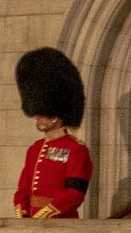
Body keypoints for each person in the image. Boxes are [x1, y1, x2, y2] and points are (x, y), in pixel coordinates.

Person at [12, 46, 93, 221]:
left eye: (44, 113)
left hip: (60, 220)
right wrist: (23, 212)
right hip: (32, 220)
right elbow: (23, 189)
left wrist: (47, 212)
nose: (38, 118)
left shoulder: (76, 149)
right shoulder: (35, 149)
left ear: (57, 114)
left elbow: (75, 192)